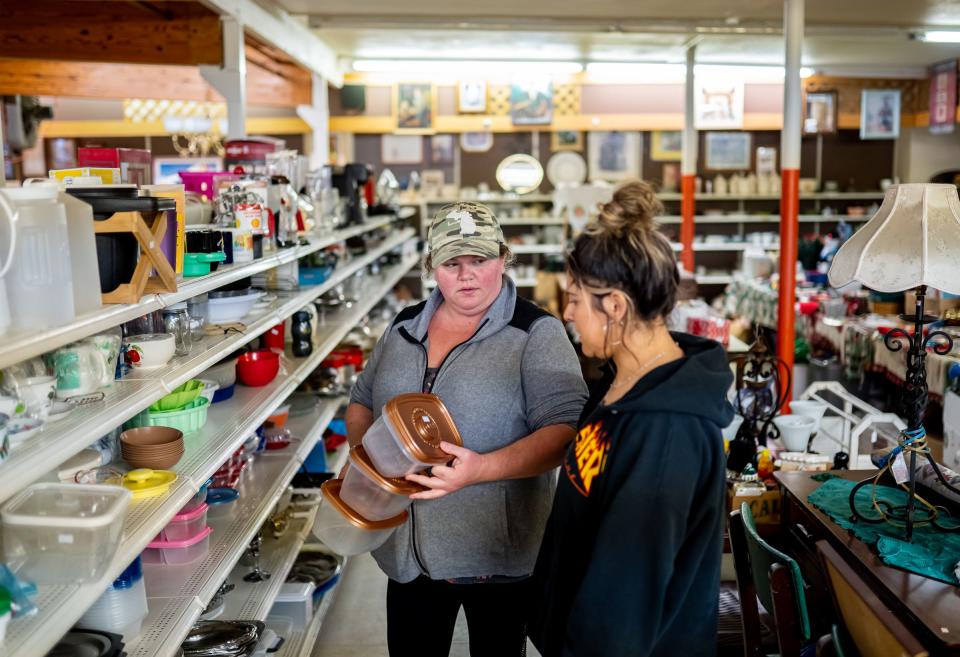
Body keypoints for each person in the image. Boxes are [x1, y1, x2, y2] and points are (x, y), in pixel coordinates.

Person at [345, 201, 587, 657]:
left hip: (496, 557)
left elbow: (564, 432)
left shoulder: (536, 333)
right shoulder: (403, 327)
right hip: (408, 556)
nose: (467, 275)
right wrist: (366, 462)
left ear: (503, 258)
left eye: (479, 260)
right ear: (431, 266)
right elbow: (361, 401)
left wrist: (480, 469)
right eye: (451, 263)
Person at [529, 180, 734, 657]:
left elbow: (626, 598)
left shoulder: (665, 431)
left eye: (576, 299)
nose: (568, 313)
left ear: (615, 306)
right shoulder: (622, 381)